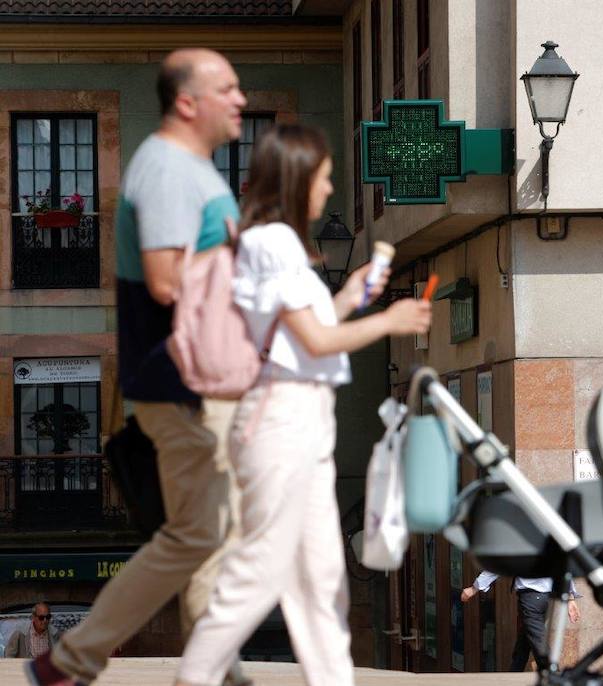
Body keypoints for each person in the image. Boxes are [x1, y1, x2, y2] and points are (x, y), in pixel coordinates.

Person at [173, 123, 432, 686]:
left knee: (322, 577)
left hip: (303, 420)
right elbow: (312, 342)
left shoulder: (279, 246)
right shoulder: (272, 243)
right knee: (263, 567)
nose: (329, 186)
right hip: (281, 419)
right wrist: (389, 319)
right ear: (296, 179)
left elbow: (306, 331)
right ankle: (193, 677)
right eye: (323, 176)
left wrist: (349, 297)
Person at [28, 48, 250, 686]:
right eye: (227, 88)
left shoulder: (193, 172)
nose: (239, 99)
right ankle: (73, 659)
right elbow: (164, 279)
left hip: (199, 384)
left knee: (210, 534)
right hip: (181, 385)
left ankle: (197, 666)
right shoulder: (167, 170)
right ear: (188, 102)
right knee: (196, 537)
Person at [461, 573, 580, 672]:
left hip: (531, 599)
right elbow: (562, 568)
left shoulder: (522, 545)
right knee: (525, 641)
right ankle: (514, 672)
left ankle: (553, 675)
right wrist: (570, 598)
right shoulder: (549, 545)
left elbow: (500, 563)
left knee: (538, 642)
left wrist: (474, 588)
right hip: (545, 599)